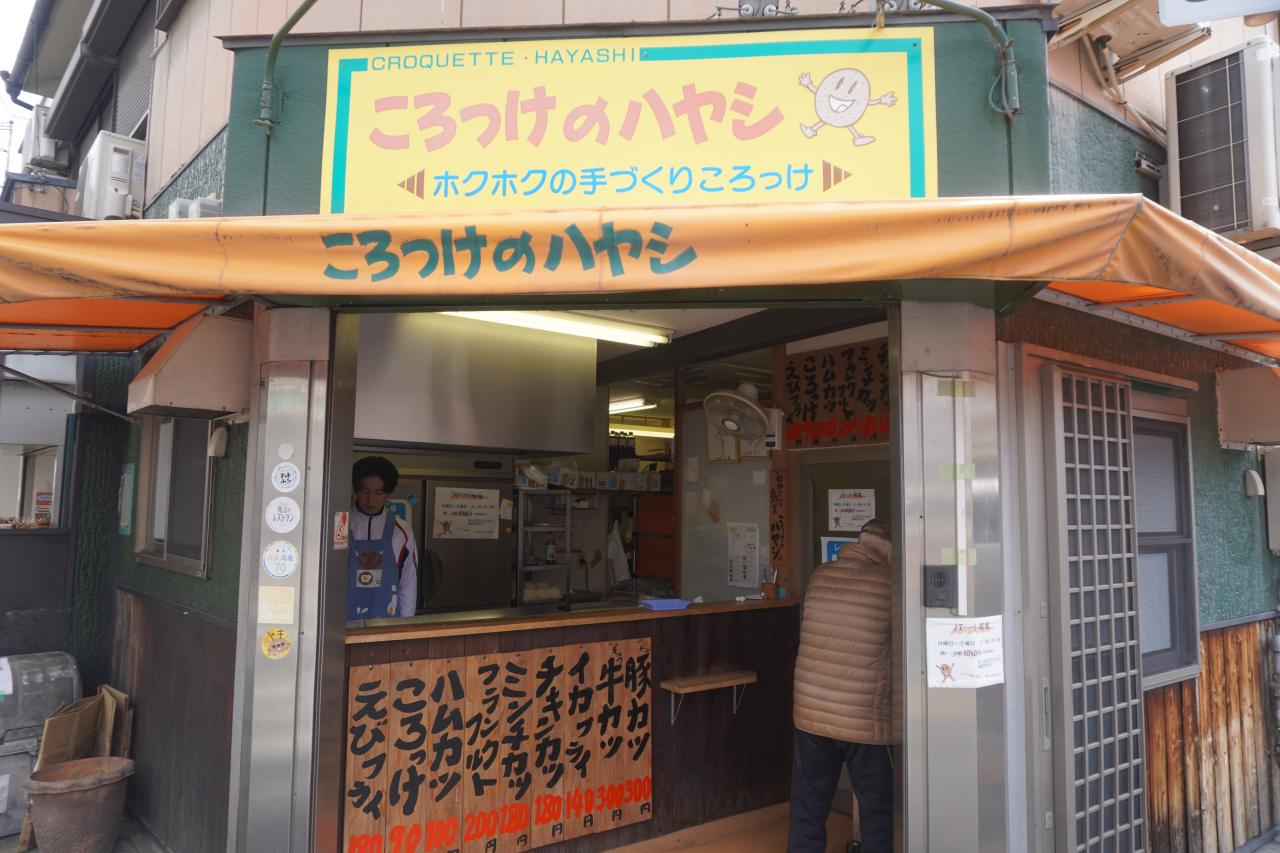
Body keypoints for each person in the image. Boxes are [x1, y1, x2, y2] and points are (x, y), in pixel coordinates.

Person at [788, 518, 894, 853]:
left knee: (808, 807)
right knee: (876, 810)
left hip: (812, 714)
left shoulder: (820, 575)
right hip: (864, 719)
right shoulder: (890, 584)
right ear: (891, 550)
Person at [348, 455, 418, 620]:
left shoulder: (402, 531)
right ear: (355, 490)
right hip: (339, 626)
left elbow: (408, 585)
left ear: (388, 493)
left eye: (378, 493)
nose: (370, 499)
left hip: (387, 626)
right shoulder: (339, 525)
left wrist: (405, 626)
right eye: (364, 491)